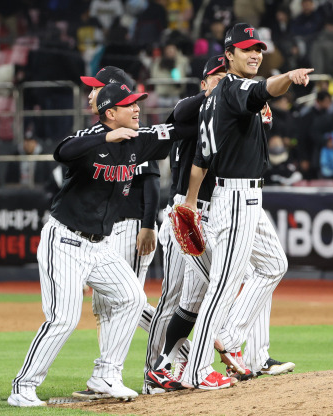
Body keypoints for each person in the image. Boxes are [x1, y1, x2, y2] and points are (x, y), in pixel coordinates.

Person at [8, 82, 179, 407]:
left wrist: (214, 101)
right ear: (110, 113)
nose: (137, 109)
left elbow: (177, 128)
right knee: (63, 318)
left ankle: (106, 375)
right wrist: (104, 136)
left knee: (132, 298)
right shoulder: (88, 141)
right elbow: (62, 151)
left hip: (100, 247)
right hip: (65, 241)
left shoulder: (138, 142)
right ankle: (23, 387)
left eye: (137, 103)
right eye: (130, 105)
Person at [180, 23, 310, 390]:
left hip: (242, 195)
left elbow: (202, 159)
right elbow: (266, 88)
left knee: (273, 264)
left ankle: (230, 338)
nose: (255, 54)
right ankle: (198, 368)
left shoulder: (217, 96)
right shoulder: (235, 88)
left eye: (258, 49)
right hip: (236, 197)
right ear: (229, 55)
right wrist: (287, 76)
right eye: (246, 48)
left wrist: (191, 201)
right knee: (224, 285)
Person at [144, 55, 227, 394]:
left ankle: (169, 364)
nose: (224, 81)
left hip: (206, 213)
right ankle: (155, 371)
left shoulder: (223, 116)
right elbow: (177, 115)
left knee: (193, 295)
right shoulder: (192, 111)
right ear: (204, 81)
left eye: (228, 75)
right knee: (172, 299)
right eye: (217, 76)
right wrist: (215, 94)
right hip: (184, 212)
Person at [79, 66, 158, 335]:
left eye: (96, 88)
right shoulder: (97, 135)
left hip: (132, 225)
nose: (91, 94)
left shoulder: (135, 135)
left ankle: (186, 352)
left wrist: (148, 225)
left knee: (130, 301)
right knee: (103, 306)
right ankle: (106, 373)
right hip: (108, 230)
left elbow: (151, 180)